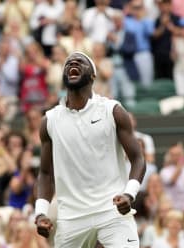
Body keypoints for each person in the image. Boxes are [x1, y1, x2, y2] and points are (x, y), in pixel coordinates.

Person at [35, 51, 146, 247]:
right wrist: (41, 212)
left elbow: (138, 159)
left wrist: (129, 194)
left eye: (80, 62)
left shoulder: (113, 111)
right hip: (70, 218)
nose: (73, 62)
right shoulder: (50, 120)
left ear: (93, 76)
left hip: (112, 210)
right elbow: (45, 173)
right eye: (68, 63)